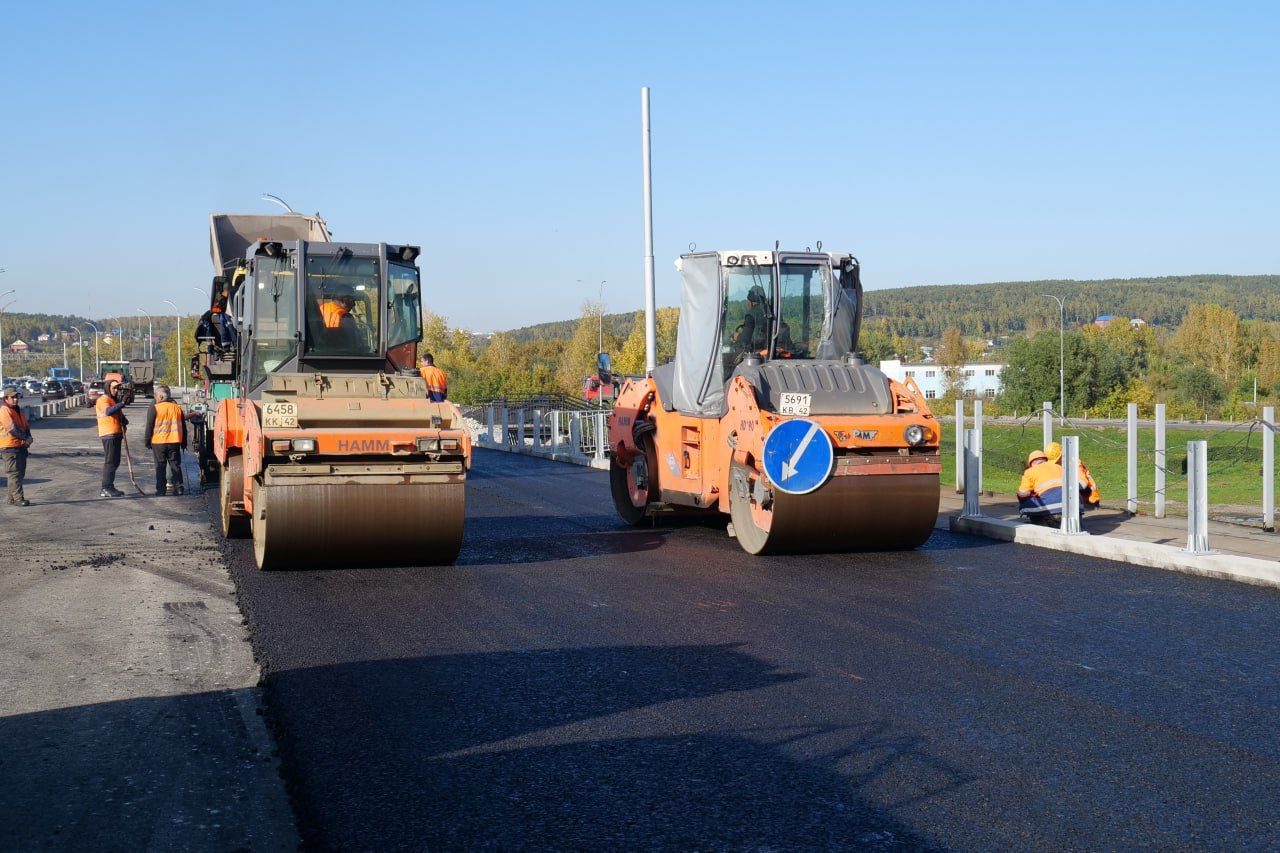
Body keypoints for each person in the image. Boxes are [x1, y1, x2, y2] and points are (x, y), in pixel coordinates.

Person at [143, 385, 187, 496]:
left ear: (161, 397)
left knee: (160, 466)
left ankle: (161, 490)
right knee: (175, 465)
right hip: (174, 441)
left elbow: (149, 427)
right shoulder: (177, 408)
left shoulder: (155, 408)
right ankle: (179, 488)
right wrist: (184, 442)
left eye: (156, 397)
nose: (155, 399)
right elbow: (184, 426)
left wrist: (147, 442)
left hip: (159, 443)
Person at [0, 387, 33, 506]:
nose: (15, 399)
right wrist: (25, 438)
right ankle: (19, 499)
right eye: (12, 397)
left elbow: (25, 426)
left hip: (20, 446)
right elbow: (12, 429)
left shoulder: (18, 410)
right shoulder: (4, 410)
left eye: (16, 397)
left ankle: (11, 498)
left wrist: (29, 437)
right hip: (8, 447)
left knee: (19, 474)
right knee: (13, 473)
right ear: (6, 399)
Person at [96, 379, 128, 498]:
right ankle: (105, 488)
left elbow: (118, 413)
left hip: (116, 433)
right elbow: (108, 412)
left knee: (116, 461)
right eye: (113, 388)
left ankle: (110, 486)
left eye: (117, 388)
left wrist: (124, 421)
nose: (116, 390)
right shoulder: (103, 399)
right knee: (110, 462)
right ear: (108, 388)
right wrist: (121, 403)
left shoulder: (112, 400)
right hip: (108, 434)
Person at [1045, 441, 1101, 509]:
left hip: (1089, 499)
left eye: (1057, 460)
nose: (1056, 463)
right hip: (1074, 499)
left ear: (1062, 455)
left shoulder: (1075, 462)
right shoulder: (1058, 465)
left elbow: (1082, 483)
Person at [1017, 449, 1064, 523]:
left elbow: (1023, 494)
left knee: (1023, 501)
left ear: (1032, 463)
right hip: (1074, 505)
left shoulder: (1030, 471)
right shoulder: (1059, 467)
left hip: (1052, 505)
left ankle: (1040, 521)